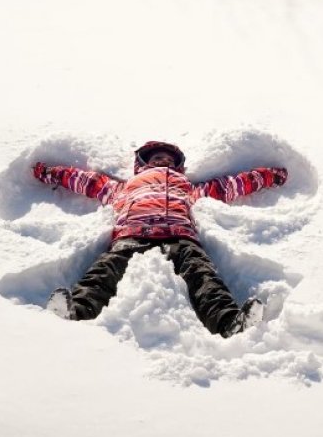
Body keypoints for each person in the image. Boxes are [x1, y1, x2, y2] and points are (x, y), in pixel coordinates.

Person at [32, 141, 288, 338]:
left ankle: (230, 323)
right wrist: (50, 173)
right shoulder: (124, 187)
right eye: (157, 158)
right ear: (143, 164)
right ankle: (76, 312)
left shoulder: (187, 187)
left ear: (178, 167)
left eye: (168, 160)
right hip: (133, 234)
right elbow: (85, 181)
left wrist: (267, 176)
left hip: (180, 236)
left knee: (203, 277)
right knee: (104, 272)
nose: (163, 161)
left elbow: (231, 185)